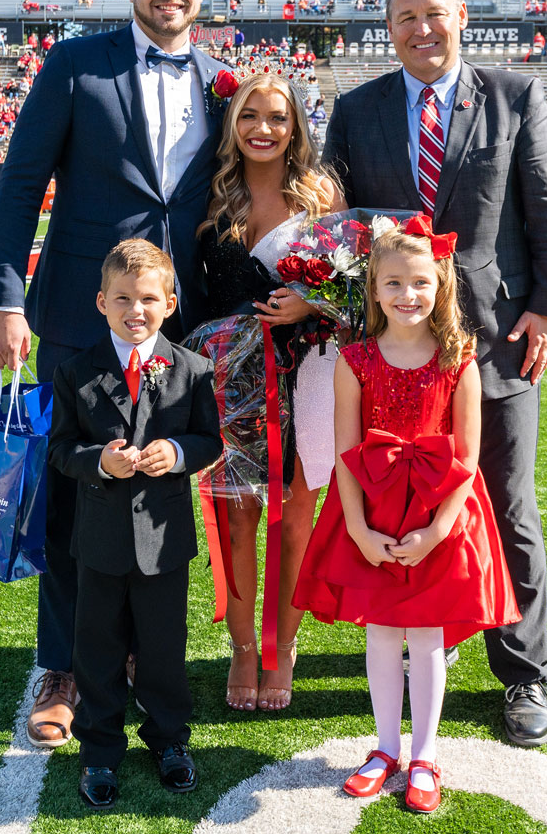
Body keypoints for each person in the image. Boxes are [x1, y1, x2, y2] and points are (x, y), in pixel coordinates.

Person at [322, 0, 547, 748]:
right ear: (386, 25)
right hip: (396, 354)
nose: (421, 29)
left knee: (507, 506)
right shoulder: (357, 109)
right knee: (398, 502)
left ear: (462, 15)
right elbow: (335, 227)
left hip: (495, 342)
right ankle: (410, 638)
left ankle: (522, 672)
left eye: (435, 14)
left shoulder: (515, 96)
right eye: (405, 17)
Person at [0, 0, 227, 750]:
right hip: (76, 318)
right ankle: (62, 666)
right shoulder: (75, 64)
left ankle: (133, 659)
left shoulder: (219, 84)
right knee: (70, 495)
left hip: (174, 326)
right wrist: (5, 301)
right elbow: (20, 184)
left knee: (155, 491)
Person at [294, 218, 520, 813]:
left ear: (440, 285)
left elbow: (468, 458)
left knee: (425, 639)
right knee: (380, 634)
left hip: (437, 517)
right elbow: (345, 454)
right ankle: (385, 748)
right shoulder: (355, 360)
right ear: (373, 288)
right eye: (393, 283)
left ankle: (425, 753)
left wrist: (437, 531)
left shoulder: (459, 359)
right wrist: (360, 530)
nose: (407, 295)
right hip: (372, 512)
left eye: (420, 283)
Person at [49, 239, 221, 808]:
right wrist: (99, 461)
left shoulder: (193, 369)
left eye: (148, 298)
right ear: (101, 301)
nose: (135, 310)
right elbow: (61, 449)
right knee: (96, 652)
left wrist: (174, 450)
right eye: (122, 298)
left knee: (164, 649)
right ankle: (99, 752)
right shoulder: (76, 371)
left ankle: (169, 741)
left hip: (164, 544)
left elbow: (208, 441)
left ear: (170, 302)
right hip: (99, 544)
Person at [197, 72, 346, 711]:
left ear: (296, 125)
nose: (263, 128)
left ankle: (281, 648)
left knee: (297, 520)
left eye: (277, 116)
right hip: (230, 376)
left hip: (310, 370)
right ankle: (240, 647)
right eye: (249, 115)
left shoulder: (323, 194)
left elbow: (353, 292)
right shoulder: (209, 194)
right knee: (237, 517)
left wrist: (308, 302)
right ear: (232, 124)